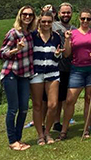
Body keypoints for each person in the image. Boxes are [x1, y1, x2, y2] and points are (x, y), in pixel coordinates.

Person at [59, 9, 91, 140]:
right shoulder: (73, 33)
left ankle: (86, 128)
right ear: (79, 19)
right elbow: (67, 54)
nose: (85, 21)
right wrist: (67, 40)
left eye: (88, 19)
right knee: (70, 100)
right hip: (77, 70)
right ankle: (64, 129)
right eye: (83, 19)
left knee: (89, 99)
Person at [0, 6, 36, 151]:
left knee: (24, 108)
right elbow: (2, 53)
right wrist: (16, 49)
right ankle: (12, 140)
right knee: (13, 108)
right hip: (11, 74)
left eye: (30, 15)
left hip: (25, 74)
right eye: (24, 14)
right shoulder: (13, 33)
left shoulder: (30, 34)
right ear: (20, 16)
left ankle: (18, 138)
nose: (27, 17)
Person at [30, 11, 62, 145]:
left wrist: (57, 54)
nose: (46, 24)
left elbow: (58, 57)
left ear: (52, 22)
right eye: (44, 21)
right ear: (39, 22)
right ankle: (40, 135)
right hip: (36, 74)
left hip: (52, 73)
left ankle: (47, 132)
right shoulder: (33, 36)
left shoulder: (56, 37)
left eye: (49, 21)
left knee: (53, 105)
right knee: (37, 105)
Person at [52, 2, 76, 133]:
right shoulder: (53, 25)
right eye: (63, 12)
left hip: (69, 66)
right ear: (59, 13)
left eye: (68, 12)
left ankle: (62, 121)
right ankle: (55, 122)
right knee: (56, 98)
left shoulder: (75, 28)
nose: (66, 15)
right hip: (55, 66)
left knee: (66, 97)